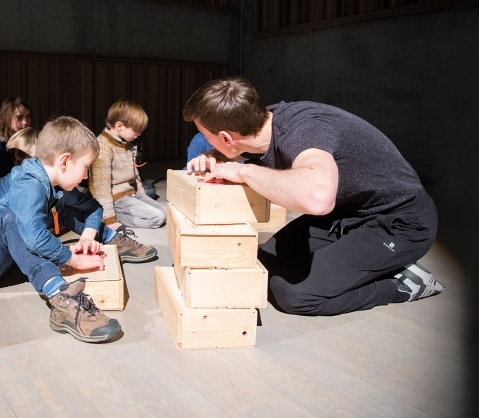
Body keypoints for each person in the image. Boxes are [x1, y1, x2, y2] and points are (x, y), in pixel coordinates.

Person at [185, 77, 441, 316]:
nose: (205, 142)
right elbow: (247, 147)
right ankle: (366, 264)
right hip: (345, 214)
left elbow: (317, 199)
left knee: (292, 294)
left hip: (400, 222)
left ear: (227, 137)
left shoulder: (306, 130)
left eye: (206, 137)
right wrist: (216, 155)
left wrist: (244, 170)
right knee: (262, 266)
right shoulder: (264, 121)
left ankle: (403, 283)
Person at [0, 117, 132, 343]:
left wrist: (87, 236)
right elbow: (34, 238)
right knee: (12, 218)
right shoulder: (28, 183)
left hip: (4, 259)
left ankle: (110, 238)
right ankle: (60, 296)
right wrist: (73, 261)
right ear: (65, 161)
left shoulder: (51, 180)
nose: (86, 176)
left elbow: (93, 207)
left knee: (61, 201)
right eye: (86, 167)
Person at [89, 99, 166, 229]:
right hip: (117, 199)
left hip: (132, 194)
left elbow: (134, 174)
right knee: (157, 218)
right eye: (136, 130)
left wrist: (142, 195)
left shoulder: (125, 143)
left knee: (166, 212)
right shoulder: (103, 147)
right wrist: (109, 219)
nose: (139, 134)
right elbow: (100, 187)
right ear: (119, 126)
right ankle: (112, 215)